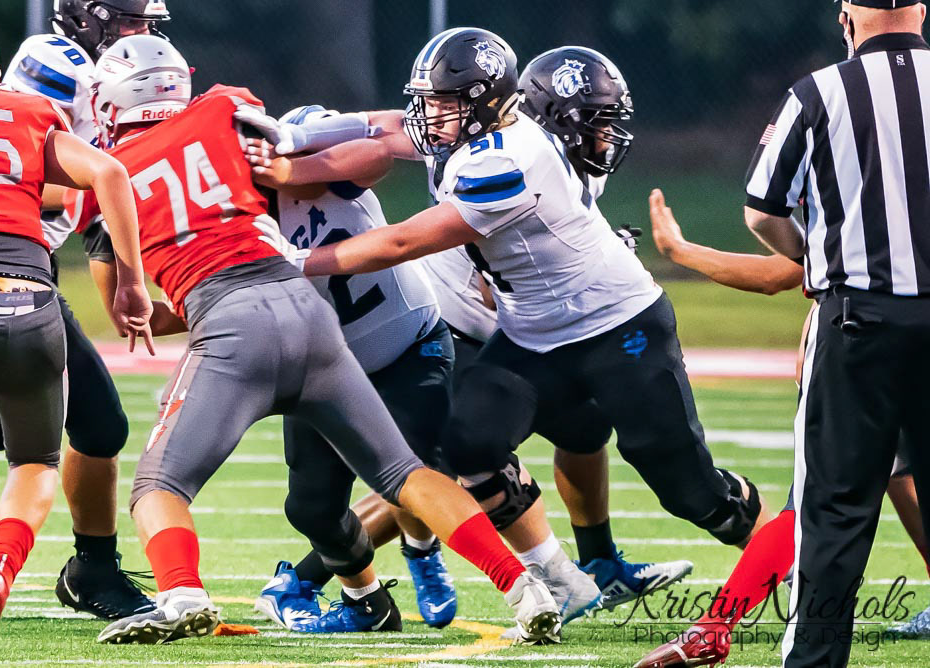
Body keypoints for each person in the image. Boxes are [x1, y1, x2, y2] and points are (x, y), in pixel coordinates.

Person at [249, 28, 771, 608]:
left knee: (688, 489)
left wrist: (298, 260)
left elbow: (401, 242)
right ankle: (564, 580)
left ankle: (794, 561)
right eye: (432, 102)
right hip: (531, 334)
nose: (430, 116)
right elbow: (384, 126)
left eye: (444, 104)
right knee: (464, 444)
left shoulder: (507, 159)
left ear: (487, 102)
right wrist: (293, 140)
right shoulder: (476, 129)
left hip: (616, 326)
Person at [67, 35, 561, 645]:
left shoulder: (98, 180)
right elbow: (353, 138)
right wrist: (293, 166)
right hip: (306, 308)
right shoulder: (223, 108)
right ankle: (524, 587)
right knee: (403, 472)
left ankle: (182, 592)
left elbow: (131, 310)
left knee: (159, 486)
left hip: (227, 321)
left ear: (109, 100)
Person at [0, 0, 171, 621]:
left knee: (12, 423)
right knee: (75, 428)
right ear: (90, 17)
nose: (142, 34)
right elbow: (53, 185)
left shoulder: (105, 71)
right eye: (132, 22)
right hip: (17, 268)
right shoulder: (52, 66)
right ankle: (93, 568)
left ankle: (92, 570)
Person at [634, 189, 929, 666]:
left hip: (864, 339)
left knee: (813, 505)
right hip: (889, 337)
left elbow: (776, 257)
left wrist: (679, 250)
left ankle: (714, 627)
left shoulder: (849, 170)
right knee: (895, 470)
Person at [735, 1, 930, 664]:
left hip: (857, 321)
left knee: (833, 517)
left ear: (847, 16)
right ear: (922, 11)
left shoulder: (818, 92)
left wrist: (812, 257)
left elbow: (762, 210)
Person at [249, 104, 459, 630]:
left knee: (417, 471)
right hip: (325, 367)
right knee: (310, 509)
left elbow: (375, 152)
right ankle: (366, 603)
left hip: (407, 343)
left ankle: (422, 549)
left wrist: (291, 168)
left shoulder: (324, 172)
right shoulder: (240, 214)